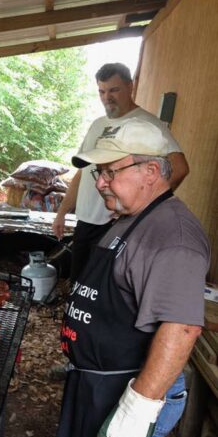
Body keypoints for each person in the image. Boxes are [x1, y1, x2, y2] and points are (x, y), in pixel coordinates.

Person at [44, 117, 209, 437]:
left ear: (151, 172)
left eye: (109, 171)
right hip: (94, 379)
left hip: (127, 388)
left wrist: (137, 408)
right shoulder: (132, 218)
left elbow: (182, 326)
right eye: (98, 172)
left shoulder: (173, 237)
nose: (99, 182)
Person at [52, 62, 189, 283]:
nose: (107, 97)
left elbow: (180, 168)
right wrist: (62, 212)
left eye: (114, 90)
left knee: (102, 288)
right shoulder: (97, 125)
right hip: (85, 221)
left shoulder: (147, 124)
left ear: (130, 86)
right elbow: (82, 174)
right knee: (78, 283)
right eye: (102, 91)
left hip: (115, 224)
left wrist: (139, 212)